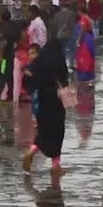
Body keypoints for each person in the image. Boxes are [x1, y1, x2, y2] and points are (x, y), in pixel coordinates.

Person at [25, 18, 71, 176]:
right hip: (56, 102)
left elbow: (29, 79)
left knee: (43, 130)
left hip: (42, 100)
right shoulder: (59, 61)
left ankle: (32, 149)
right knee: (57, 131)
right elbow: (65, 80)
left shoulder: (40, 60)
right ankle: (56, 165)